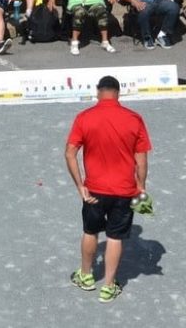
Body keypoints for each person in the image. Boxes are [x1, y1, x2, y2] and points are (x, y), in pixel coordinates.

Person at [65, 75, 151, 304]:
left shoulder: (84, 118)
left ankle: (85, 276)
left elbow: (70, 153)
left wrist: (80, 186)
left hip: (93, 191)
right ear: (118, 93)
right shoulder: (134, 119)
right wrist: (140, 187)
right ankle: (109, 286)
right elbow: (141, 161)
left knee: (90, 231)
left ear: (97, 91)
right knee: (115, 237)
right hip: (124, 191)